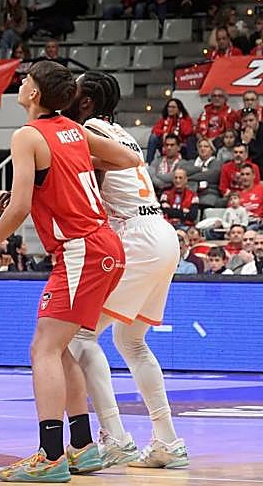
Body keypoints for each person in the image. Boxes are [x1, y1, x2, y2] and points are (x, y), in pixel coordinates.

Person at [0, 60, 139, 482]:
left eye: (25, 81)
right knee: (61, 348)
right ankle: (82, 446)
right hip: (101, 245)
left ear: (35, 94)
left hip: (81, 249)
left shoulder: (27, 135)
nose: (21, 86)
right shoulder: (76, 131)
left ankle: (50, 455)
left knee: (43, 348)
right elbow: (131, 158)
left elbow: (20, 206)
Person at [63, 73, 188, 470]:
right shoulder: (119, 130)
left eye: (75, 89)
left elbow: (83, 187)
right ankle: (168, 440)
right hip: (163, 234)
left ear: (85, 102)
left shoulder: (86, 130)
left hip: (136, 234)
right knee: (130, 340)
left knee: (79, 338)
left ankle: (115, 437)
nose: (67, 92)